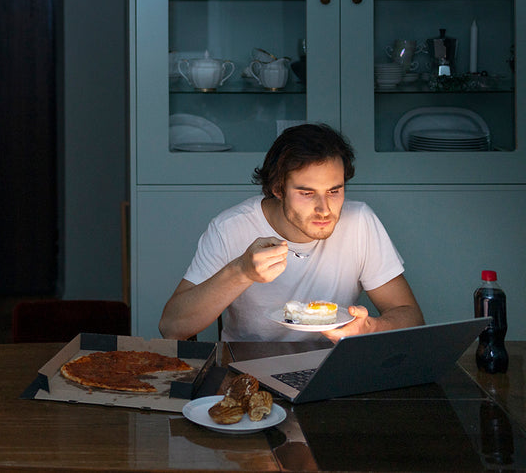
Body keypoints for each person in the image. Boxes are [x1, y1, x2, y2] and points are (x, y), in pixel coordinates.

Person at [159, 123, 423, 343]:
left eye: (334, 191)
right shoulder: (231, 227)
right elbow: (171, 327)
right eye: (307, 193)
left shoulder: (360, 222)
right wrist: (241, 271)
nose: (324, 209)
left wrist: (370, 328)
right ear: (277, 188)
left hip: (330, 367)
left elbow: (411, 317)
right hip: (247, 370)